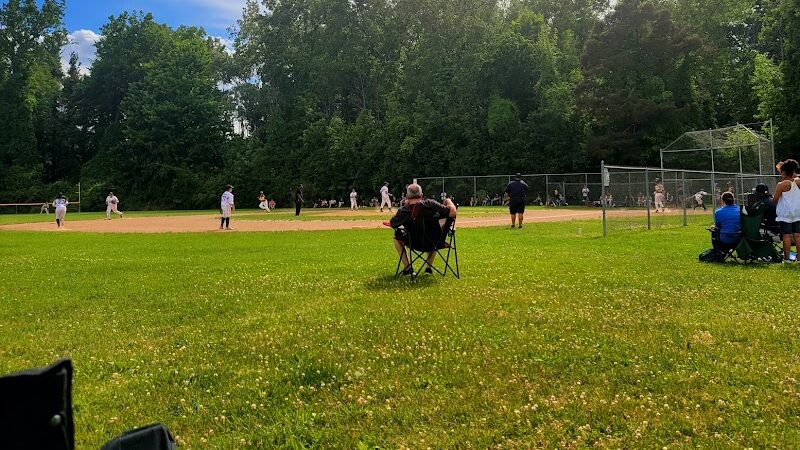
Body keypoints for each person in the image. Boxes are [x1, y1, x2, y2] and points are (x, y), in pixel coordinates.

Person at [386, 183, 457, 276]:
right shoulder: (432, 204)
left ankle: (408, 269)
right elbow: (452, 213)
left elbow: (393, 223)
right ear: (422, 195)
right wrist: (448, 201)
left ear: (407, 196)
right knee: (434, 233)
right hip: (436, 243)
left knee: (396, 237)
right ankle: (428, 269)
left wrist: (406, 207)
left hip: (414, 243)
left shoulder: (405, 210)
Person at [772, 159, 800, 262]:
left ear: (783, 172)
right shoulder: (798, 181)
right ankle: (799, 258)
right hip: (798, 212)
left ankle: (787, 258)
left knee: (787, 236)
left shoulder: (781, 185)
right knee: (798, 235)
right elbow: (793, 175)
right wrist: (783, 168)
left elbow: (775, 200)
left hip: (786, 214)